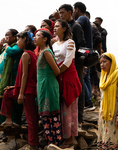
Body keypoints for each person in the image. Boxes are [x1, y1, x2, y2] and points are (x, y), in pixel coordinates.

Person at [0, 31, 39, 149]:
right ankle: (8, 119)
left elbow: (25, 75)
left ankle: (33, 144)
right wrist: (14, 87)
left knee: (31, 118)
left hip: (28, 91)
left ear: (25, 40)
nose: (17, 42)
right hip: (26, 88)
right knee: (7, 93)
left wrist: (21, 93)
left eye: (18, 40)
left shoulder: (26, 54)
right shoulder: (30, 54)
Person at [53, 4, 86, 124]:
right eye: (60, 13)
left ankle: (79, 119)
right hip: (62, 64)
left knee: (77, 89)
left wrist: (81, 63)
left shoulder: (76, 26)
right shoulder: (61, 31)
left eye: (63, 13)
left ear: (70, 12)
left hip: (74, 63)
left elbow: (82, 45)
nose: (61, 15)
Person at [53, 19, 82, 148]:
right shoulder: (54, 45)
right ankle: (63, 136)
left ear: (64, 28)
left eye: (57, 26)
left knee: (69, 107)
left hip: (68, 78)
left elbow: (68, 62)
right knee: (61, 108)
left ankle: (70, 137)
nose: (54, 28)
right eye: (54, 26)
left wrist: (56, 72)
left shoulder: (70, 42)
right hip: (58, 77)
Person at [34, 30, 62, 146]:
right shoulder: (41, 52)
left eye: (37, 36)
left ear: (45, 39)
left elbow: (56, 70)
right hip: (42, 86)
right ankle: (51, 141)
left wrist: (46, 80)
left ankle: (55, 143)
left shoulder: (46, 52)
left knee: (51, 115)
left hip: (48, 85)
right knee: (46, 115)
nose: (35, 38)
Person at [0, 29, 23, 139]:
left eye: (8, 35)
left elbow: (12, 52)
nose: (6, 37)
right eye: (5, 35)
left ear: (15, 36)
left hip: (11, 81)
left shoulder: (15, 47)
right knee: (1, 105)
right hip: (0, 83)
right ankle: (4, 131)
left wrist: (6, 45)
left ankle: (14, 130)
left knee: (12, 106)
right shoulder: (4, 49)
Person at [98, 53, 118, 149]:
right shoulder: (103, 77)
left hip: (114, 115)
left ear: (112, 62)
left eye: (105, 62)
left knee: (115, 140)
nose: (102, 65)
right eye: (101, 62)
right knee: (104, 140)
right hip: (103, 115)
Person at [73, 2, 94, 111]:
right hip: (87, 52)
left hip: (83, 52)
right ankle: (89, 102)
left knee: (83, 77)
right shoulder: (86, 19)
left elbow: (75, 26)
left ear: (77, 9)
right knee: (86, 78)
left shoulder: (82, 18)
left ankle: (87, 102)